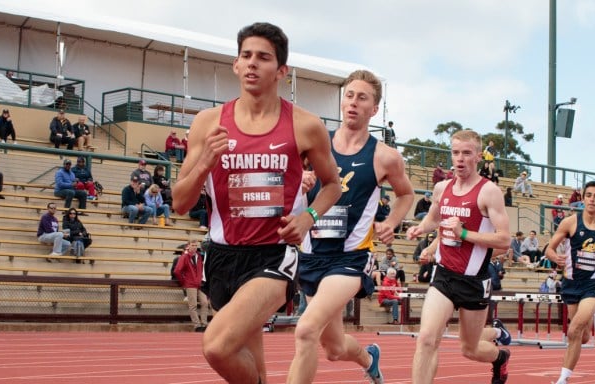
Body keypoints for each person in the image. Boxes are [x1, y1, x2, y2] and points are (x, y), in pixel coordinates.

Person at [171, 22, 341, 384]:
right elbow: (180, 203)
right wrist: (204, 162)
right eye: (245, 56)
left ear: (281, 71)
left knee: (216, 346)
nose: (252, 64)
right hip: (222, 255)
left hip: (274, 254)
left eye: (263, 58)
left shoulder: (306, 126)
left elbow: (332, 186)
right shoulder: (208, 123)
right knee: (249, 361)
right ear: (235, 64)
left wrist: (309, 217)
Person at [289, 69, 414, 384]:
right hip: (311, 254)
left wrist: (391, 222)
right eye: (349, 95)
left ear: (374, 109)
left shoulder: (385, 157)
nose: (353, 103)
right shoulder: (314, 143)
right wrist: (298, 183)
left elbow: (406, 194)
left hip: (350, 258)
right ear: (341, 100)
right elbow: (285, 183)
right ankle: (369, 357)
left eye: (362, 98)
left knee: (305, 330)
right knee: (332, 347)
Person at [406, 129, 512, 384]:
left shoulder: (489, 192)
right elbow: (433, 218)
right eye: (455, 153)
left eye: (466, 153)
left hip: (474, 281)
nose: (460, 159)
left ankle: (500, 357)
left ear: (477, 156)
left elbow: (504, 240)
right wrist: (420, 228)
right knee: (427, 339)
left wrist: (464, 233)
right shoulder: (442, 188)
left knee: (470, 349)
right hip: (443, 276)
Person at [544, 180, 595, 384]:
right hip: (571, 283)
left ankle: (563, 379)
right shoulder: (570, 222)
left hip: (594, 284)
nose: (592, 199)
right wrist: (554, 257)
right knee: (583, 336)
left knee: (573, 331)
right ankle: (586, 329)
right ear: (583, 198)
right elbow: (549, 249)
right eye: (589, 195)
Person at [173, 238, 209, 332]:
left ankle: (204, 324)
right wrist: (184, 281)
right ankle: (197, 325)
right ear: (188, 246)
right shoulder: (184, 257)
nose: (194, 247)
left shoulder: (199, 256)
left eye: (196, 245)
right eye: (192, 245)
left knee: (205, 303)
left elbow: (201, 269)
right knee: (193, 306)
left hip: (200, 283)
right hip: (190, 284)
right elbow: (177, 270)